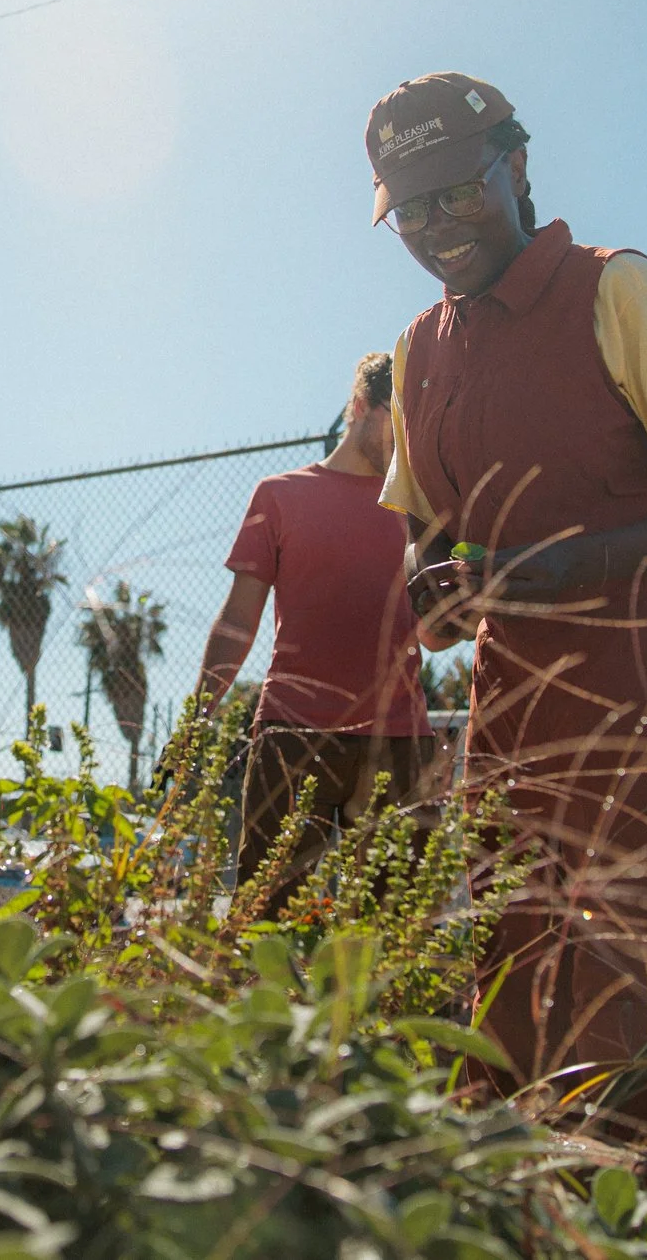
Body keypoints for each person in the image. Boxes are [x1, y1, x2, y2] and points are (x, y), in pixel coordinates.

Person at [368, 71, 647, 1154]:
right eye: (411, 208)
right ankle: (518, 1195)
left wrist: (553, 569)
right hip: (513, 700)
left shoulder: (615, 288)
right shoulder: (418, 349)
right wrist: (435, 590)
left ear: (517, 165)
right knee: (514, 951)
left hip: (646, 686)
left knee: (639, 959)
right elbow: (427, 538)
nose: (438, 225)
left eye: (460, 191)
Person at [189, 352, 452, 911]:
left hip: (399, 742)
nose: (406, 442)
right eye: (396, 422)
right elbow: (238, 621)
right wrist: (198, 715)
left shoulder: (419, 512)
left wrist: (467, 607)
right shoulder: (279, 495)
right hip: (292, 734)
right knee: (268, 918)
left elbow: (434, 637)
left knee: (399, 927)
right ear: (359, 407)